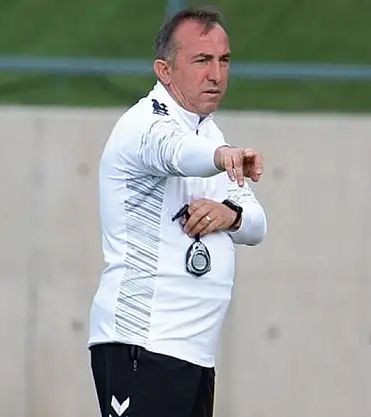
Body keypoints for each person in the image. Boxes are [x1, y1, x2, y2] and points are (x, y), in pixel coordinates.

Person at [87, 5, 267, 417]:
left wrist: (230, 215)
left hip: (194, 354)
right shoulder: (143, 125)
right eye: (201, 60)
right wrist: (221, 156)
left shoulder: (208, 132)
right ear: (164, 71)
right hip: (143, 345)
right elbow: (175, 152)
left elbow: (257, 224)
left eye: (223, 60)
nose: (216, 74)